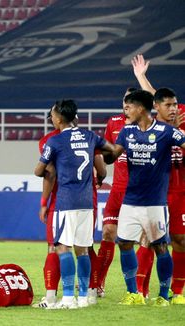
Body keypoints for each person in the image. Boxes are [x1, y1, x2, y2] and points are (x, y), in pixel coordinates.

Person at [103, 90, 185, 306]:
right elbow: (113, 155)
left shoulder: (167, 132)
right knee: (125, 243)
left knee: (160, 247)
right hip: (131, 200)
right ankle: (133, 294)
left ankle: (164, 295)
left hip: (156, 202)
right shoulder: (126, 131)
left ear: (140, 108)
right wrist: (103, 150)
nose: (125, 111)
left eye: (128, 107)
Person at [34, 100, 109, 309]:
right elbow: (102, 169)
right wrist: (98, 180)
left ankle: (56, 297)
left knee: (57, 246)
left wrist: (44, 202)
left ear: (58, 118)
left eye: (52, 115)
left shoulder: (50, 141)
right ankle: (88, 294)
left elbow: (47, 173)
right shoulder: (89, 136)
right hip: (88, 198)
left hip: (63, 199)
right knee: (85, 248)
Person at [132, 55, 185, 304]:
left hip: (181, 192)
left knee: (180, 240)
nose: (173, 109)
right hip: (156, 192)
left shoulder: (181, 118)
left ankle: (176, 294)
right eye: (169, 106)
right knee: (149, 239)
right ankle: (140, 291)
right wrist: (141, 77)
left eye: (175, 106)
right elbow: (156, 95)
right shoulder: (154, 126)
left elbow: (163, 98)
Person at [95, 88, 137, 296]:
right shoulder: (113, 122)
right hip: (118, 188)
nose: (126, 105)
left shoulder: (150, 125)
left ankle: (142, 290)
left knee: (147, 240)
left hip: (142, 191)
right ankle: (98, 283)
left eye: (131, 101)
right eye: (125, 100)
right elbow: (105, 151)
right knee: (108, 233)